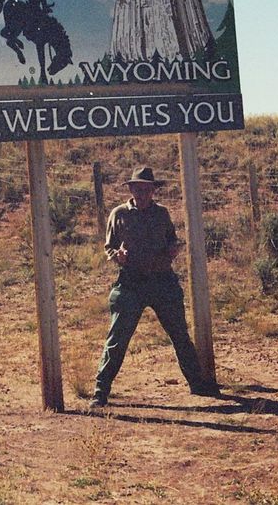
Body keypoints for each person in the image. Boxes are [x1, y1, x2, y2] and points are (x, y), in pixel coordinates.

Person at [90, 166, 220, 407]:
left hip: (162, 282)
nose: (141, 193)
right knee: (117, 340)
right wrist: (117, 255)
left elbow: (172, 238)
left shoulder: (162, 214)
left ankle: (198, 384)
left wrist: (173, 249)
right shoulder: (118, 214)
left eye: (146, 189)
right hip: (131, 283)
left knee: (180, 335)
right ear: (130, 189)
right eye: (137, 189)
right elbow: (109, 247)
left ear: (153, 190)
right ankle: (100, 391)